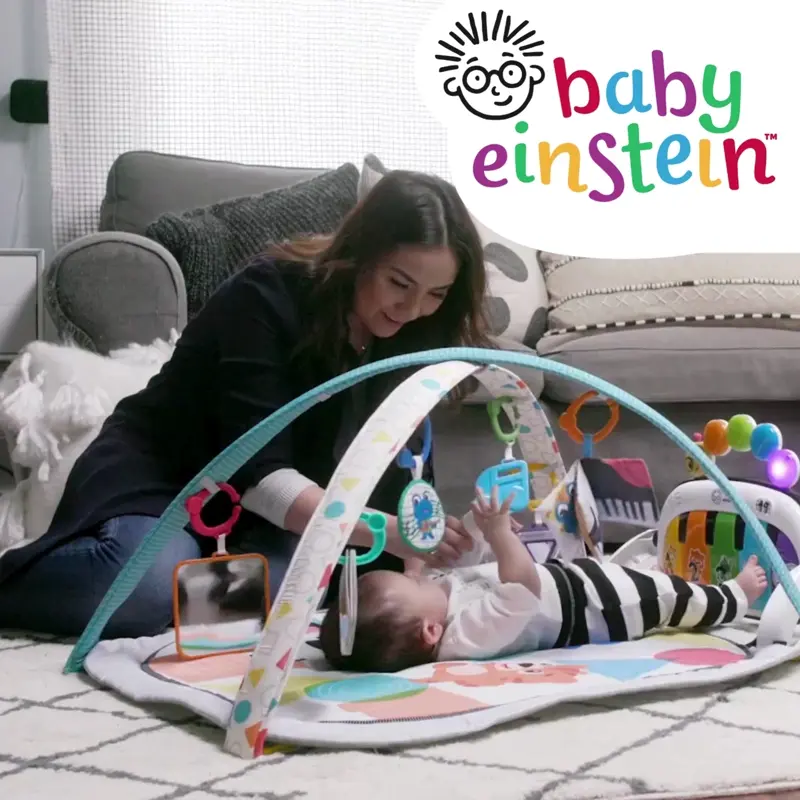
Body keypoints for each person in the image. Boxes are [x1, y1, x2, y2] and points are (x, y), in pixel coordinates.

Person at [0, 170, 492, 638]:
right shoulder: (267, 294)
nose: (412, 309)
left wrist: (416, 559)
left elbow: (404, 461)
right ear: (360, 253)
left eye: (436, 294)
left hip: (259, 517)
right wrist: (387, 531)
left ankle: (191, 585)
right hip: (167, 474)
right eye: (400, 284)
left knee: (313, 587)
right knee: (153, 586)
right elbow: (260, 475)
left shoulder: (419, 332)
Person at [319, 488, 768, 672]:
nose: (422, 577)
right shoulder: (464, 641)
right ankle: (734, 596)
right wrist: (499, 537)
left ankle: (650, 570)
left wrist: (473, 531)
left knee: (642, 574)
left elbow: (463, 567)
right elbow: (521, 593)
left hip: (577, 580)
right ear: (430, 630)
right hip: (599, 608)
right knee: (674, 598)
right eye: (415, 584)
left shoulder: (436, 604)